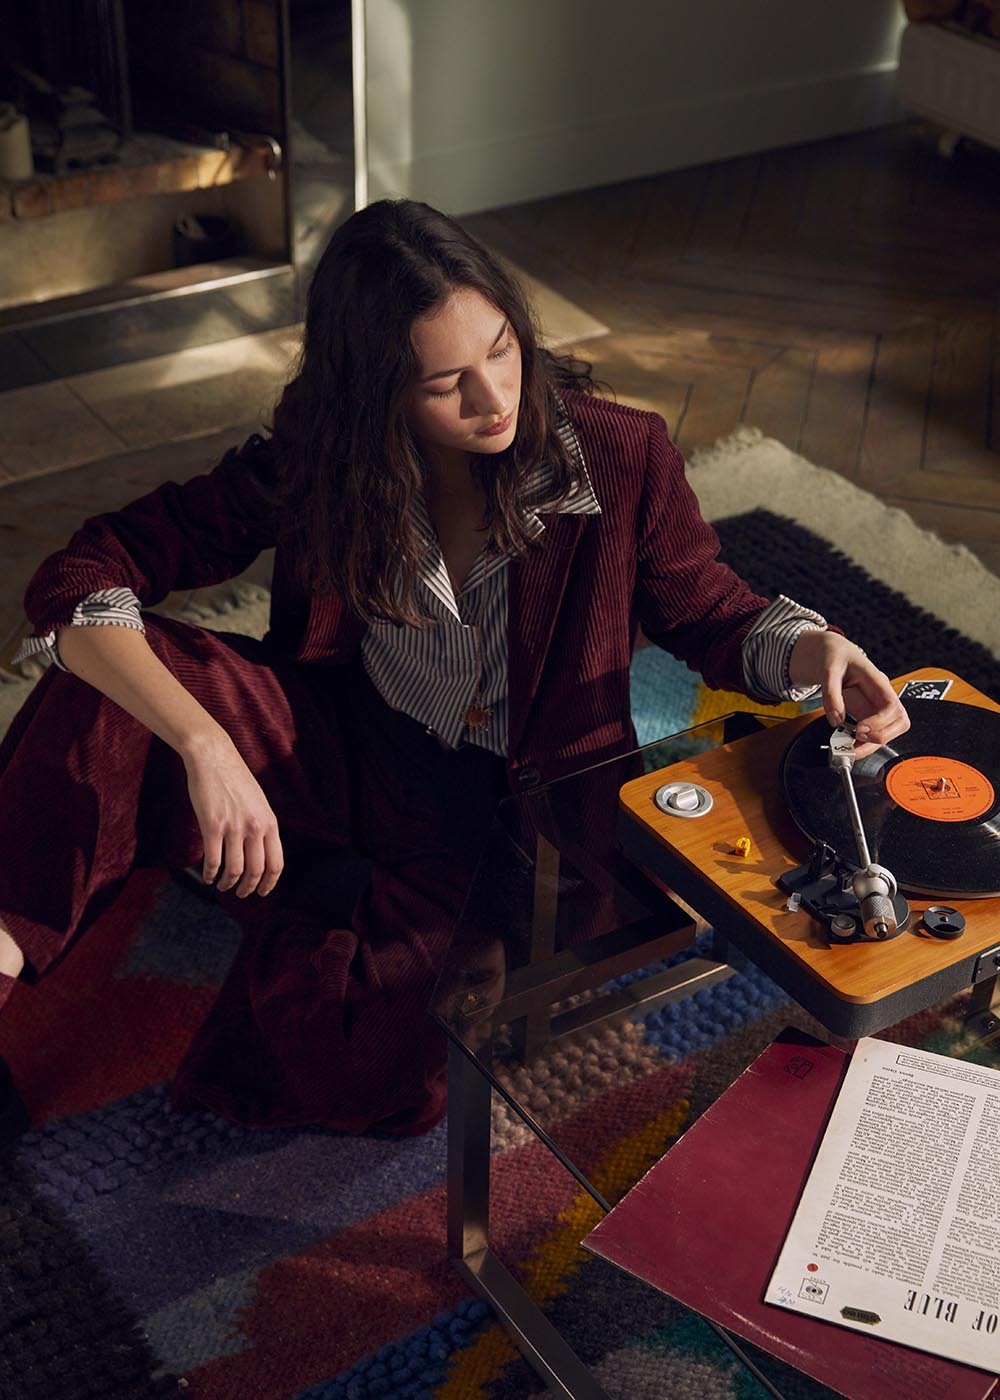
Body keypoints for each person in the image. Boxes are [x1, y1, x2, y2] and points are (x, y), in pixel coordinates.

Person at [0, 199, 909, 1136]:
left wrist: (815, 650)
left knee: (364, 1080)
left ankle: (306, 888)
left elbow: (709, 609)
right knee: (101, 688)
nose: (494, 400)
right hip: (344, 738)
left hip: (505, 816)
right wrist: (202, 743)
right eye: (445, 384)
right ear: (377, 393)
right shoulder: (323, 457)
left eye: (503, 350)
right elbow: (84, 578)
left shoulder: (616, 454)